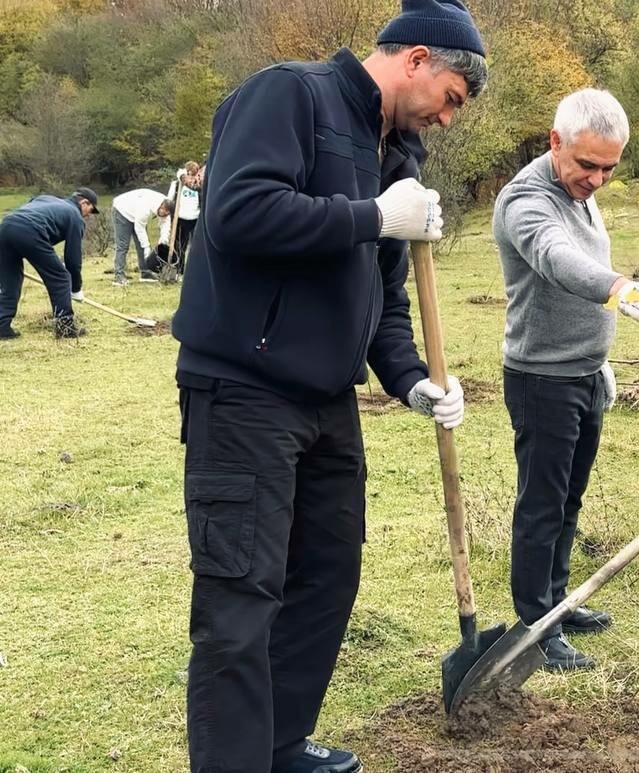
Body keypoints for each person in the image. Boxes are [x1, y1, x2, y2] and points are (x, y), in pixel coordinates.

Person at [169, 1, 487, 769]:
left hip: (327, 400)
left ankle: (279, 744)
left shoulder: (399, 154)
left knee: (328, 575)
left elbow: (385, 296)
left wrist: (411, 381)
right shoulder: (289, 95)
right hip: (244, 388)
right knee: (242, 595)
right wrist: (372, 215)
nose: (447, 121)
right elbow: (240, 214)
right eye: (450, 98)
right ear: (416, 59)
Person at [493, 88, 639, 672]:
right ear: (555, 143)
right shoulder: (526, 199)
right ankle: (535, 624)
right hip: (542, 379)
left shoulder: (582, 189)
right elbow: (555, 257)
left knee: (569, 497)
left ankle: (559, 601)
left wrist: (600, 364)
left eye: (609, 167)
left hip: (584, 373)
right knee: (542, 504)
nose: (597, 179)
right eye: (587, 165)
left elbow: (585, 254)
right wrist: (621, 289)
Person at [0, 188, 96, 340]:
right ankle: (65, 328)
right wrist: (75, 288)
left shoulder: (46, 198)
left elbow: (31, 206)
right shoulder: (75, 217)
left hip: (6, 225)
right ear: (84, 202)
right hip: (30, 230)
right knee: (61, 278)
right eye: (91, 210)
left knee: (11, 279)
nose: (89, 215)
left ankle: (2, 327)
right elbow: (73, 259)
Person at [111, 188, 172, 285]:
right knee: (123, 246)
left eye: (167, 214)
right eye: (163, 213)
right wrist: (147, 247)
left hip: (136, 213)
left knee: (141, 245)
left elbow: (165, 224)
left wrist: (163, 241)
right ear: (161, 207)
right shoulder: (145, 208)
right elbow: (139, 228)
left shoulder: (167, 205)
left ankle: (145, 273)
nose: (164, 215)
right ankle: (119, 275)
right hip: (122, 210)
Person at [166, 161, 203, 276]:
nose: (192, 176)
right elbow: (169, 200)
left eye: (194, 173)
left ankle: (196, 271)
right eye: (190, 173)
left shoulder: (198, 184)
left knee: (196, 246)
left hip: (195, 218)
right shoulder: (177, 184)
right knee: (180, 246)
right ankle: (179, 271)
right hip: (181, 217)